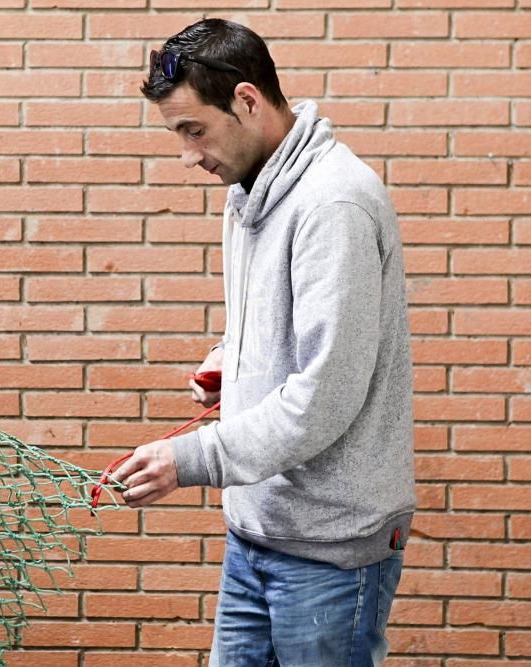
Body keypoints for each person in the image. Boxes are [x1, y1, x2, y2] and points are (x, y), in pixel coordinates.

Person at [108, 18, 416, 667]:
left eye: (194, 130)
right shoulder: (245, 191)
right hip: (254, 534)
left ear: (247, 101)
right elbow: (274, 331)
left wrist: (185, 459)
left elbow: (322, 399)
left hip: (330, 550)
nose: (188, 154)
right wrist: (233, 363)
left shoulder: (334, 205)